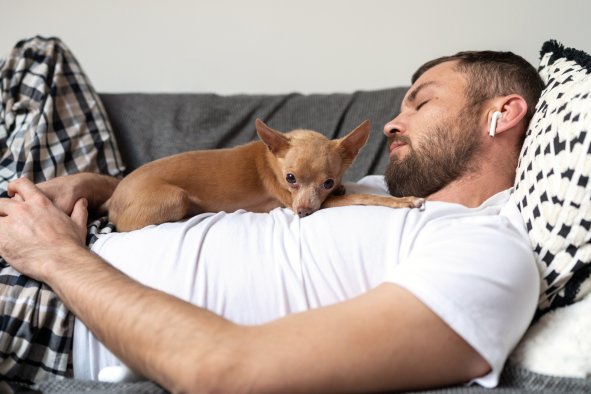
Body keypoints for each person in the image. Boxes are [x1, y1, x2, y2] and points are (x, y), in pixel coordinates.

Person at [0, 39, 545, 393]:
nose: (389, 126)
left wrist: (56, 258)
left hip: (63, 310)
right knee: (40, 57)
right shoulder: (371, 189)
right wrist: (96, 189)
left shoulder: (490, 252)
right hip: (70, 231)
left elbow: (223, 370)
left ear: (503, 114)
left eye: (420, 104)